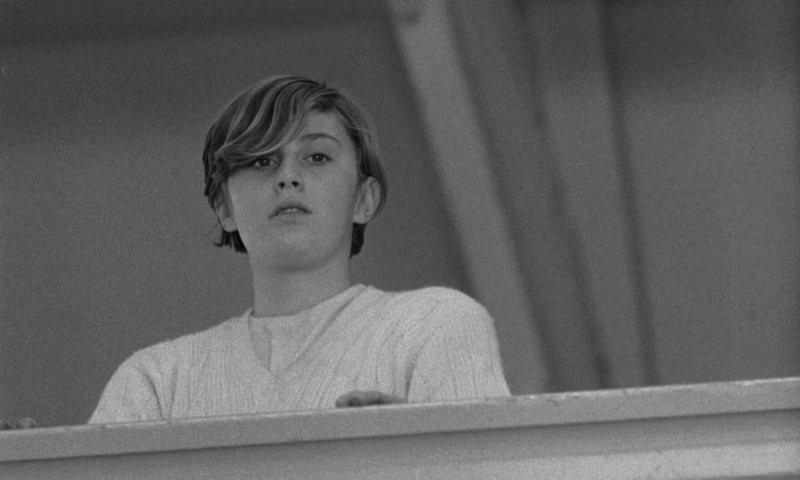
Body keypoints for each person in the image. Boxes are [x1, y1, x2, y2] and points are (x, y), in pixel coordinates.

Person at [88, 75, 510, 424]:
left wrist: (418, 457)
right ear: (225, 208)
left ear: (364, 199)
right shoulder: (157, 382)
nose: (288, 177)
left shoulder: (435, 325)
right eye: (262, 161)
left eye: (317, 157)